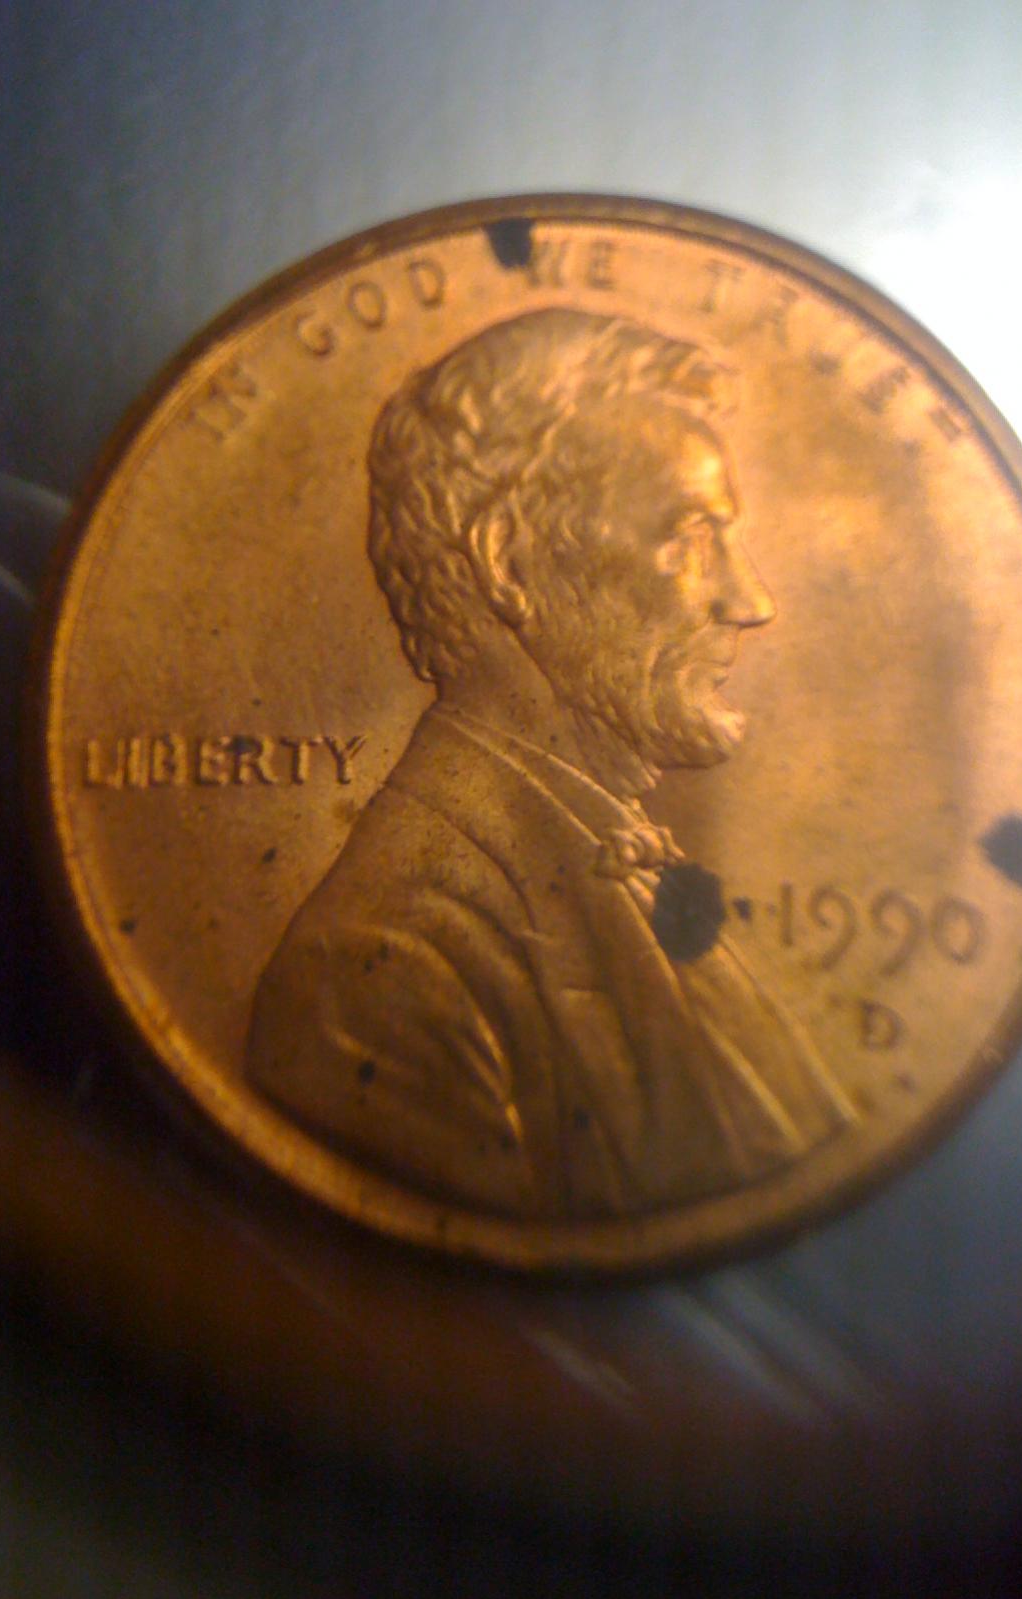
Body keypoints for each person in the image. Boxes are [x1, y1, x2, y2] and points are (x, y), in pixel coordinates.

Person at [247, 308, 854, 1222]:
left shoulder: (614, 862)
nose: (750, 599)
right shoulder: (376, 974)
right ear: (506, 560)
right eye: (689, 539)